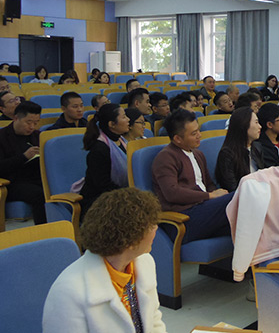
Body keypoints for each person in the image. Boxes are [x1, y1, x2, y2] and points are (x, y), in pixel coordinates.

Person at [42, 188, 167, 333]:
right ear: (131, 240)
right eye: (151, 225)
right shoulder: (68, 293)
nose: (156, 228)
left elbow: (154, 319)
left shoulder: (144, 262)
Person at [152, 109, 232, 243]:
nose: (199, 135)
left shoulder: (198, 154)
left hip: (205, 211)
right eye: (194, 133)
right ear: (177, 139)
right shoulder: (166, 157)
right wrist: (210, 196)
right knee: (241, 195)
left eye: (198, 130)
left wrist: (216, 194)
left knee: (245, 225)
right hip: (184, 218)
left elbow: (209, 184)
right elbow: (172, 193)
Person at [79, 103, 130, 216]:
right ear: (112, 124)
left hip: (119, 194)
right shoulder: (99, 149)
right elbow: (103, 185)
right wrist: (127, 194)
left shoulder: (122, 141)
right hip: (99, 200)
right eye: (123, 117)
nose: (128, 119)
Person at [0, 101, 46, 224]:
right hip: (12, 182)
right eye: (28, 122)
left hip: (35, 178)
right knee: (39, 194)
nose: (32, 127)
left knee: (57, 188)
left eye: (36, 123)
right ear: (16, 118)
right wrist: (24, 157)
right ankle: (43, 230)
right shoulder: (2, 137)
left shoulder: (38, 136)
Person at [214, 107, 265, 192]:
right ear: (244, 125)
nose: (260, 126)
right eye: (256, 122)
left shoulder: (257, 147)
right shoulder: (227, 154)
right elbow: (232, 188)